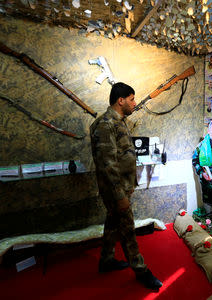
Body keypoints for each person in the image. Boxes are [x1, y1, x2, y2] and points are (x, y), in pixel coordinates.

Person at [90, 82, 162, 291]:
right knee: (128, 229)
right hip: (115, 190)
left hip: (121, 187)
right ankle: (141, 270)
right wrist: (120, 195)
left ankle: (107, 260)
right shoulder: (105, 124)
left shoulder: (118, 121)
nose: (134, 103)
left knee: (112, 223)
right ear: (120, 100)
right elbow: (107, 164)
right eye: (131, 99)